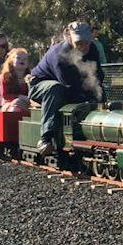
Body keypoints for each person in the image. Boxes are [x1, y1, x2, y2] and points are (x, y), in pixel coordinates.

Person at [29, 21, 105, 157]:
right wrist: (86, 99)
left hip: (71, 84)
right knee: (55, 88)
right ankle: (46, 137)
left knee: (98, 90)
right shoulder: (59, 56)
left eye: (86, 43)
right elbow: (68, 86)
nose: (83, 47)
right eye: (78, 43)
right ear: (69, 38)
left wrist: (98, 95)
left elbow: (98, 74)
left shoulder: (92, 49)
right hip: (39, 86)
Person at [0, 48, 30, 112]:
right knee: (15, 108)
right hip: (7, 105)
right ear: (12, 61)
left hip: (27, 104)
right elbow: (5, 96)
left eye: (25, 59)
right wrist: (20, 97)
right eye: (18, 58)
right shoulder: (5, 77)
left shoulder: (30, 77)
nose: (22, 60)